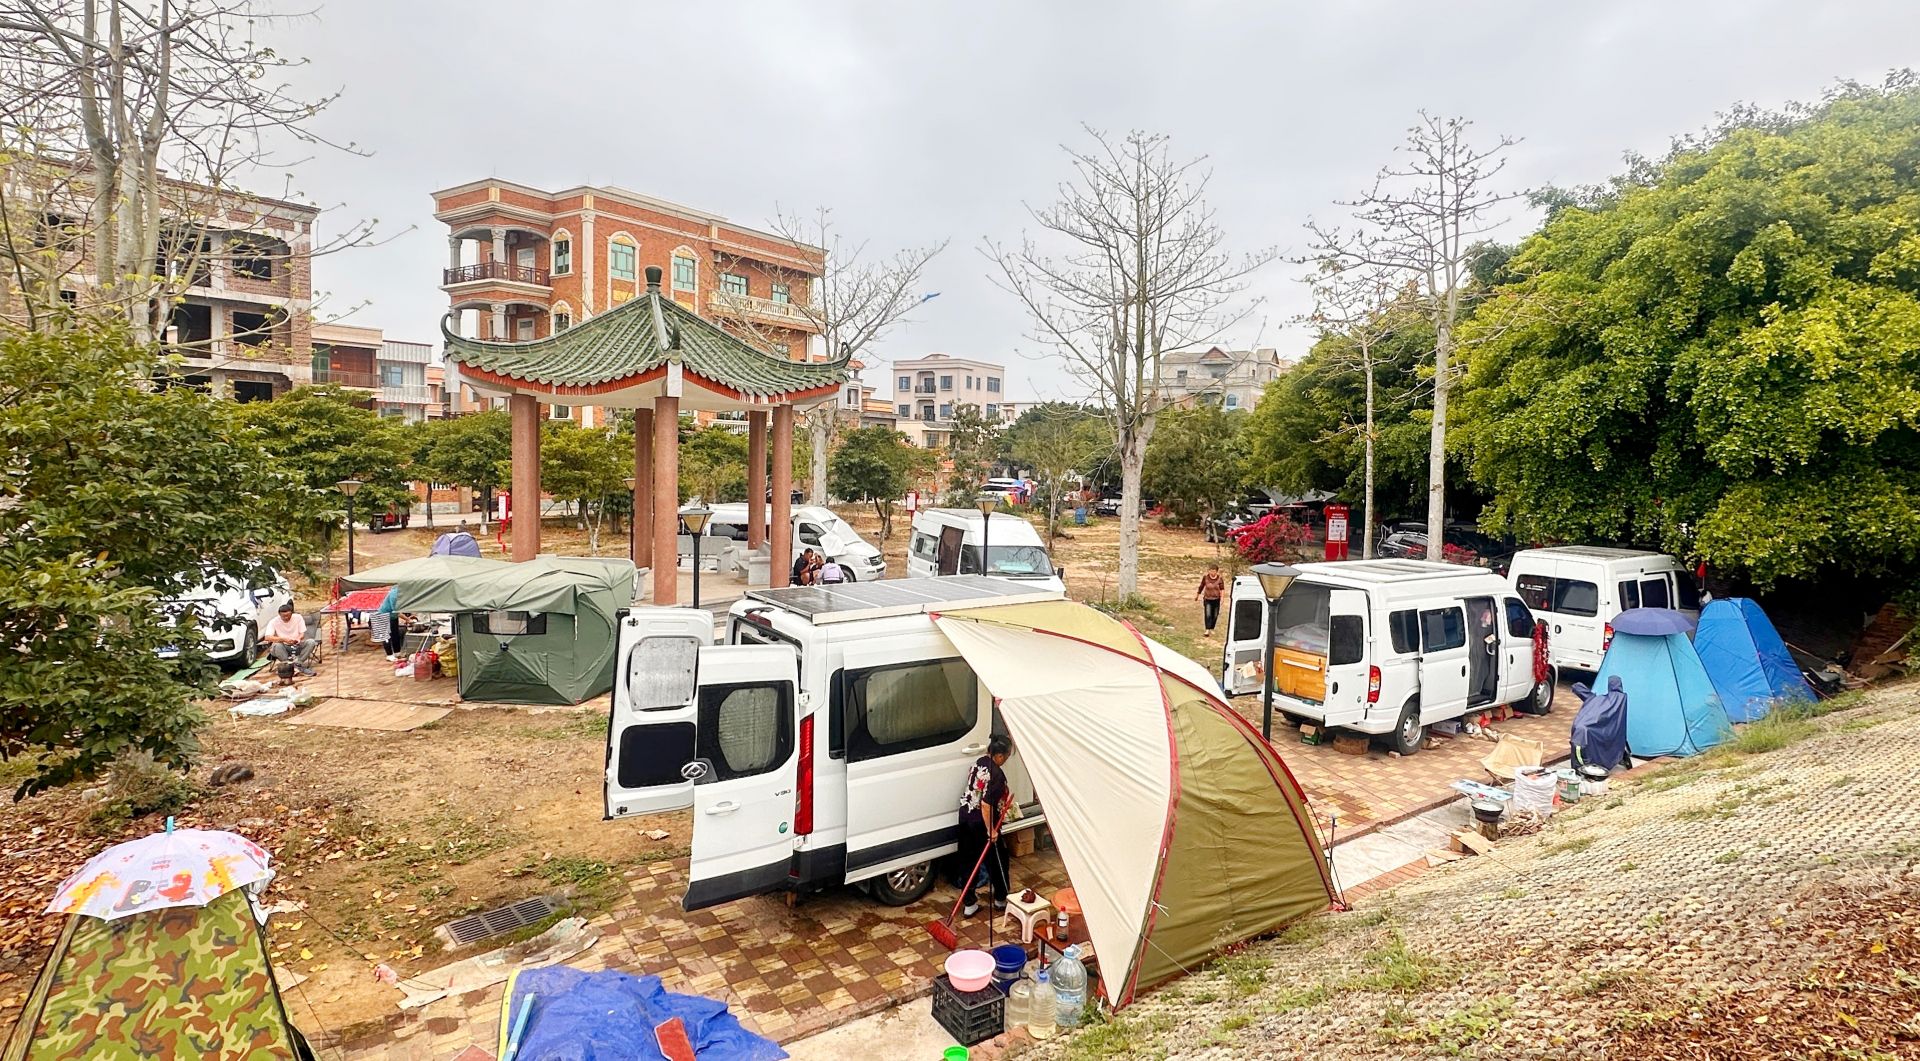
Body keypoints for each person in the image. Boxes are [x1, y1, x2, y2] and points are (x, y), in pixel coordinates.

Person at [957, 736, 1015, 917]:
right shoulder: (997, 774)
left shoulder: (978, 763)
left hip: (965, 816)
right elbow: (986, 804)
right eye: (1005, 756)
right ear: (998, 756)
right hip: (982, 822)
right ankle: (1000, 899)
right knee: (997, 859)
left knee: (968, 860)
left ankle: (969, 904)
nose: (1005, 760)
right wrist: (992, 831)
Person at [262, 602, 318, 676]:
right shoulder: (273, 622)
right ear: (279, 614)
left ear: (292, 613)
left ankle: (298, 664)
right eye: (283, 616)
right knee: (276, 645)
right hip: (283, 647)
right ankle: (290, 666)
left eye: (288, 615)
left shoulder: (298, 618)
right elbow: (267, 637)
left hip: (297, 644)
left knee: (311, 642)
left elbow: (302, 633)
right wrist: (284, 639)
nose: (286, 618)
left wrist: (298, 639)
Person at [1196, 563, 1226, 638]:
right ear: (1208, 571)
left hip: (1216, 599)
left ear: (1216, 571)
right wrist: (1197, 595)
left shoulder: (1220, 579)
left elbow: (1222, 589)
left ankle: (1212, 628)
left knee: (1215, 615)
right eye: (1211, 571)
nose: (1212, 572)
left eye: (1214, 571)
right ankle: (1207, 630)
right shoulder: (1205, 578)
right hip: (1208, 599)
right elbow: (1201, 586)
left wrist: (1222, 598)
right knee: (1208, 614)